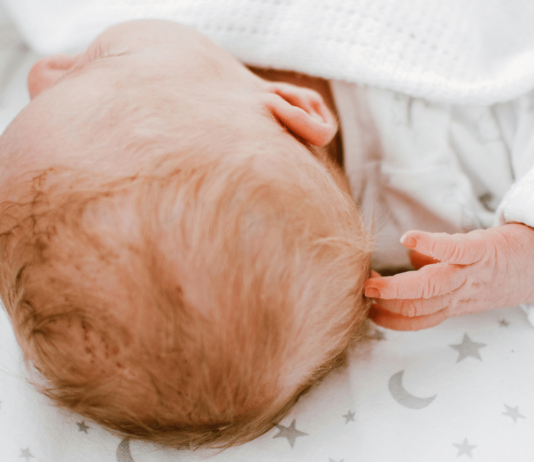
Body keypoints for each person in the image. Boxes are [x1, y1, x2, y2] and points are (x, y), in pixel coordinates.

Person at [0, 20, 372, 449]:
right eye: (93, 66)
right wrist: (470, 276)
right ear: (295, 106)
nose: (39, 72)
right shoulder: (430, 192)